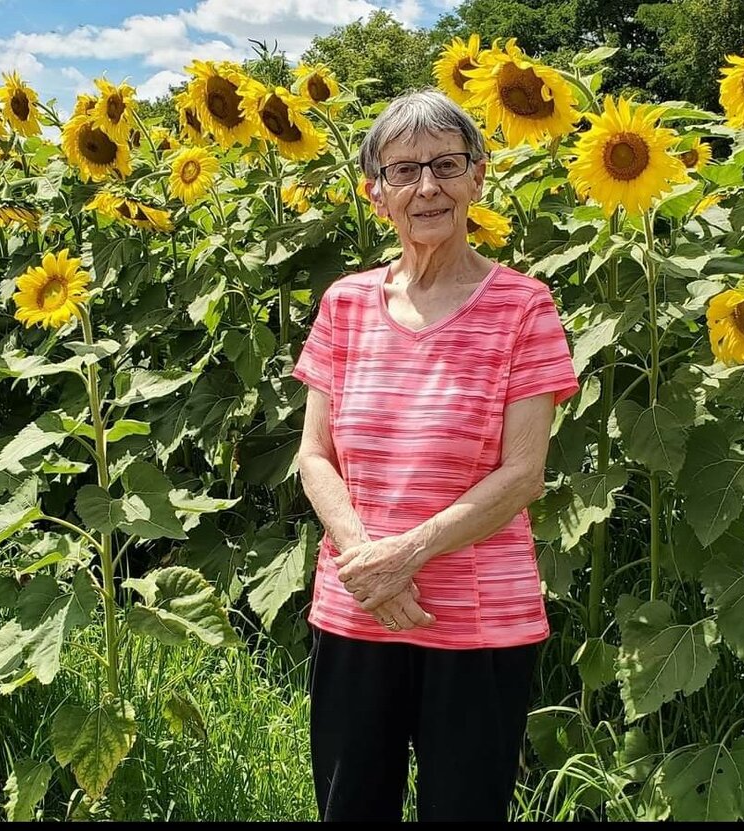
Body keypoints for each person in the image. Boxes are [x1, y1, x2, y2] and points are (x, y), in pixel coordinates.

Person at [291, 88, 580, 822]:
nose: (428, 187)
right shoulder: (345, 303)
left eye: (446, 165)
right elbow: (314, 456)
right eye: (404, 170)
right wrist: (369, 564)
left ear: (478, 177)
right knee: (351, 805)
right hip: (357, 608)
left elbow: (524, 473)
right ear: (374, 192)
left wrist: (407, 553)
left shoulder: (524, 306)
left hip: (480, 618)